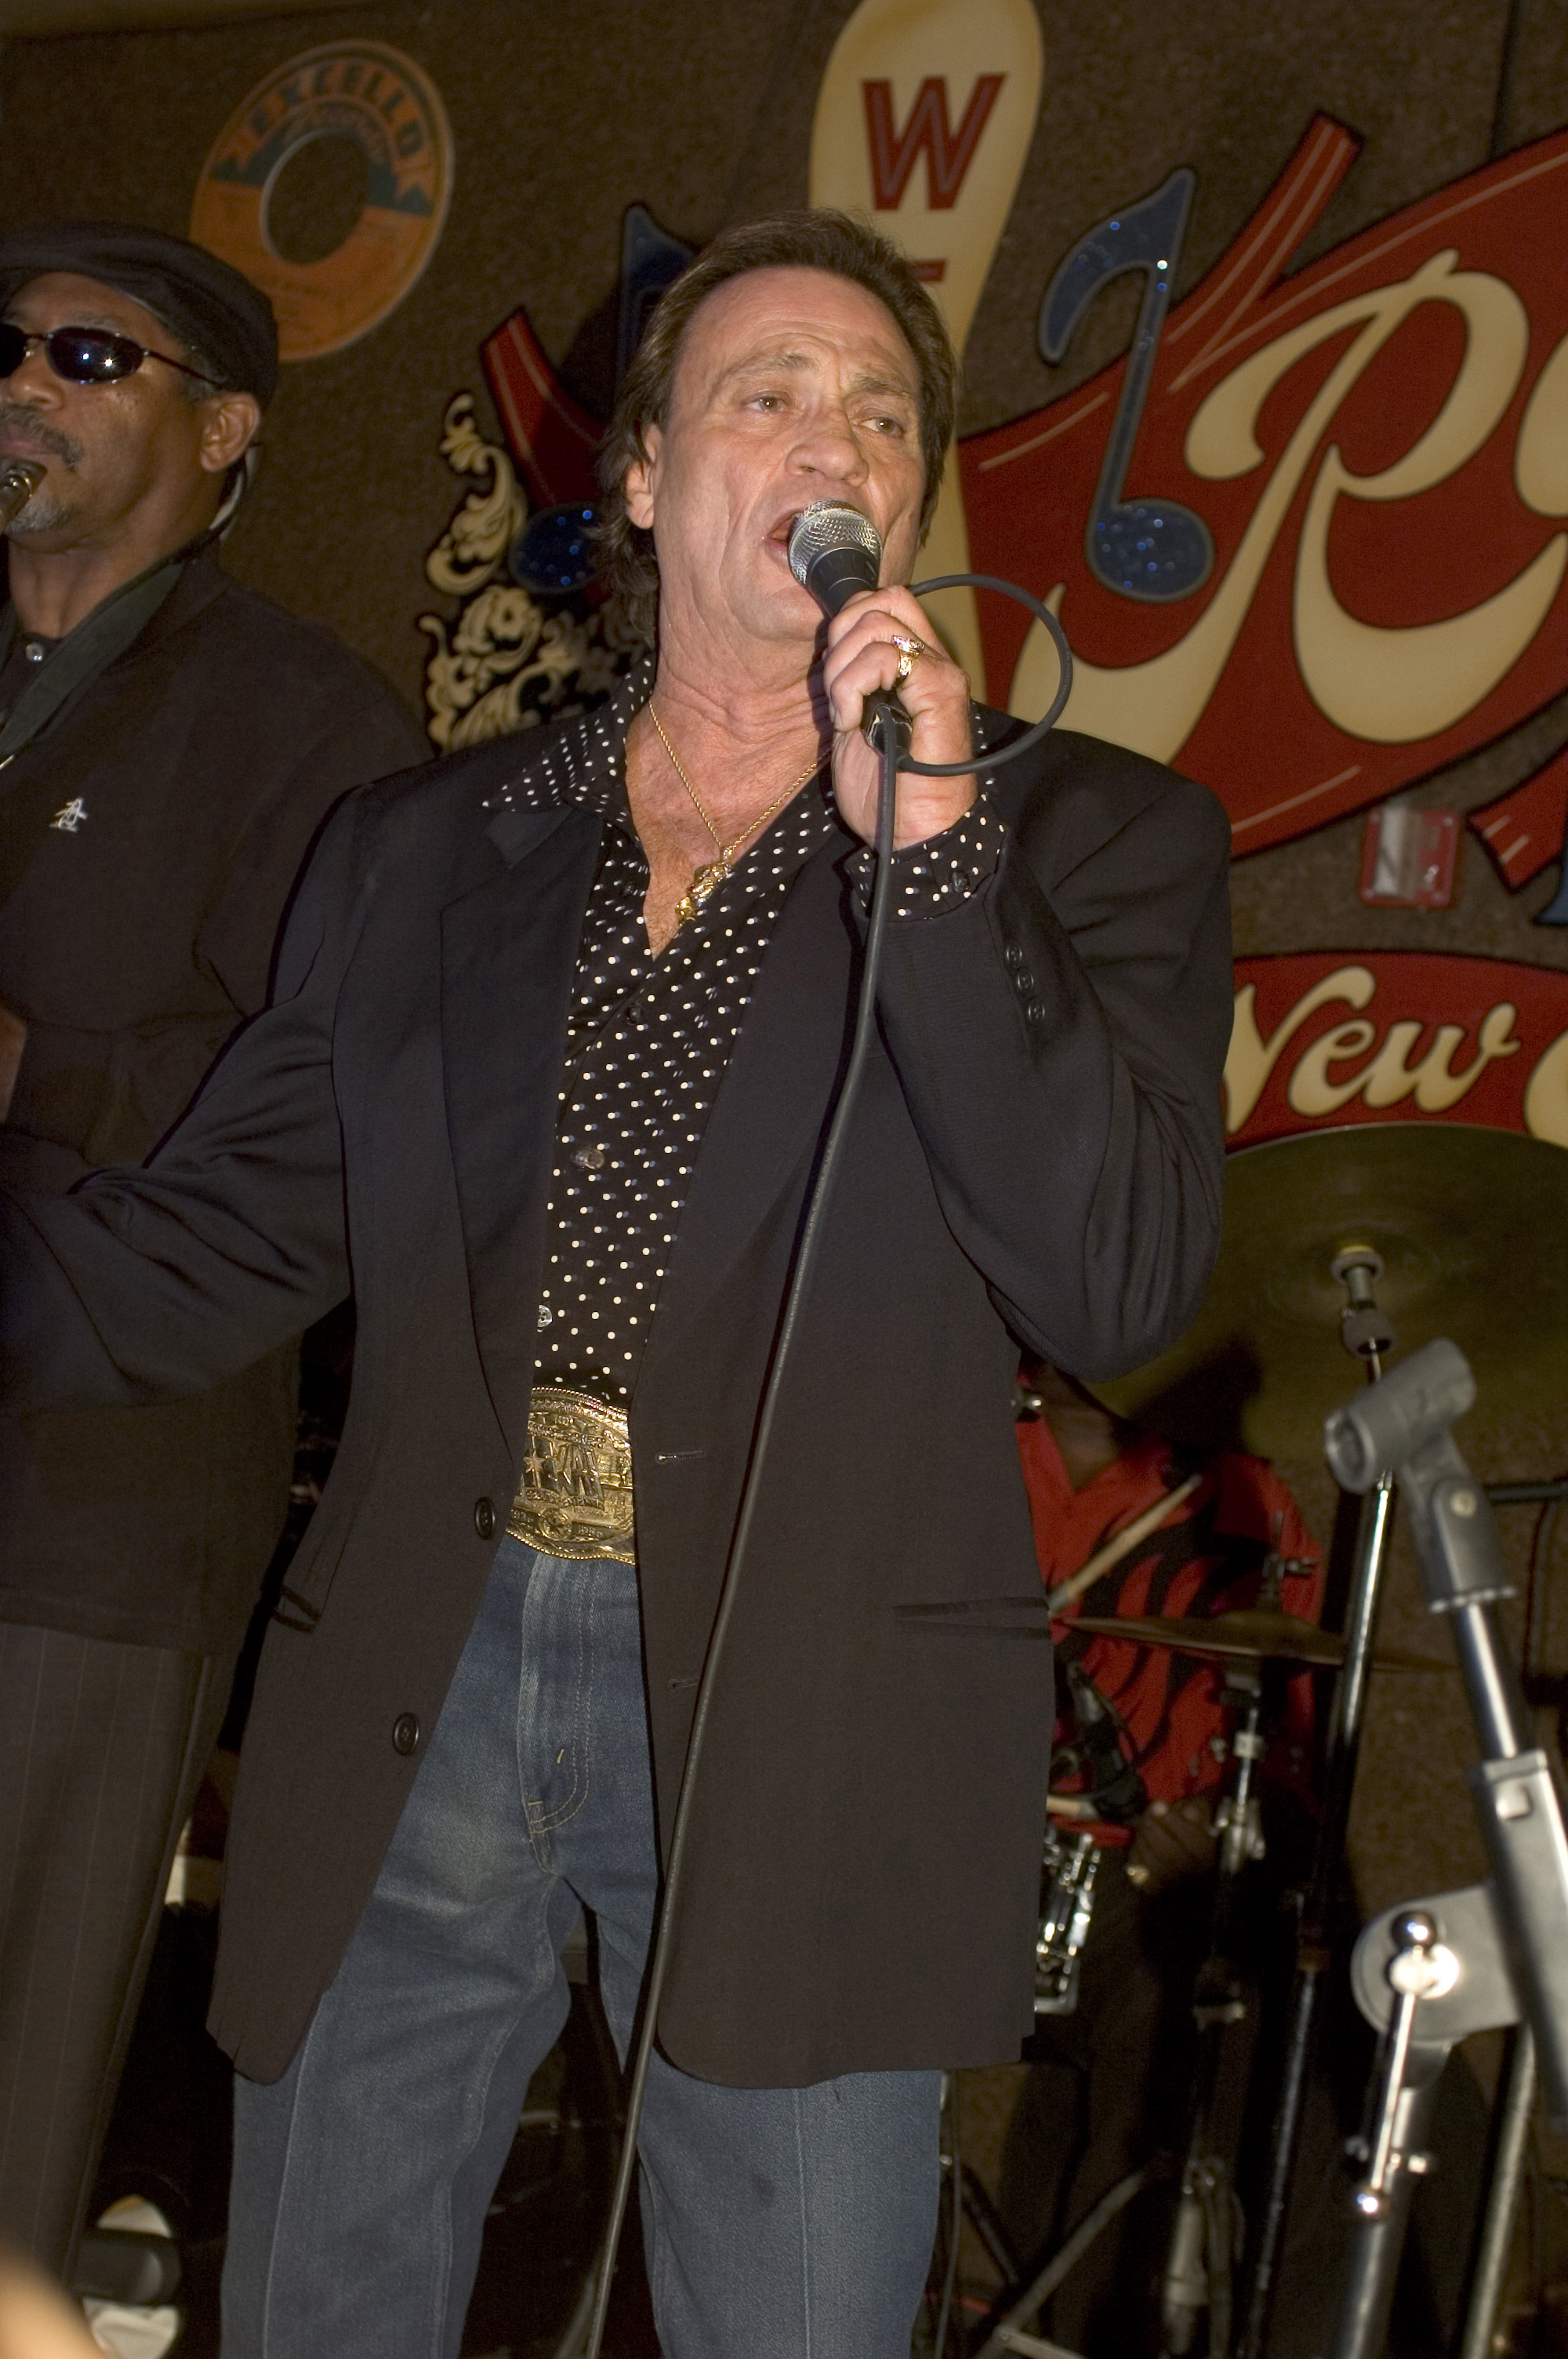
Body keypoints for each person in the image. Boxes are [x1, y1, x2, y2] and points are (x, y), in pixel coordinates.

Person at [0, 210, 1232, 2358]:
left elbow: (1120, 1281)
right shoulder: (426, 844)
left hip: (805, 1704)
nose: (832, 438)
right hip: (424, 1658)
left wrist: (936, 859)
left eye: (880, 413)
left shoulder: (1083, 843)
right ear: (647, 476)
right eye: (769, 393)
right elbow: (211, 1249)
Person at [0, 222, 428, 2277]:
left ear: (228, 429)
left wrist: (43, 1069)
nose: (23, 384)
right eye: (3, 346)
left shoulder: (311, 732)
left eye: (89, 355)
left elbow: (331, 1133)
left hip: (86, 1520)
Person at [1000, 1362, 1323, 2355]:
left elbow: (1290, 1746)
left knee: (1240, 1993)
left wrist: (1229, 1821)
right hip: (950, 1865)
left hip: (1137, 1887)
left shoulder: (1238, 1497)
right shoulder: (956, 1454)